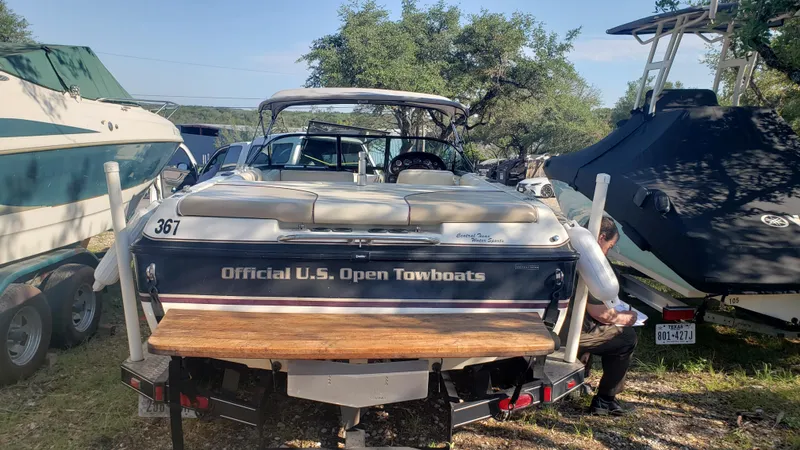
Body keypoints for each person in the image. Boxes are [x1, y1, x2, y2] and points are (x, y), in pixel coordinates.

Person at [579, 216, 638, 416]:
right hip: (570, 335)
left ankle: (580, 381)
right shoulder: (592, 265)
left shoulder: (570, 249)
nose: (608, 251)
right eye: (610, 246)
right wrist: (626, 318)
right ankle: (605, 400)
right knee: (626, 338)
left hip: (552, 325)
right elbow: (601, 313)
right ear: (601, 237)